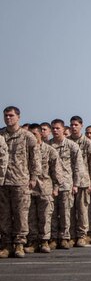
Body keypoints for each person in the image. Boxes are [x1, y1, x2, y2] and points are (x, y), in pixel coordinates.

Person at [1, 106, 41, 259]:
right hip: (3, 181)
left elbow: (35, 159)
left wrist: (33, 178)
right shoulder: (1, 135)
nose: (8, 118)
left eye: (11, 115)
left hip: (20, 181)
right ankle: (6, 244)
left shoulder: (27, 136)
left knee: (21, 214)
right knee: (3, 215)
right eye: (6, 115)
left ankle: (19, 243)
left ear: (18, 117)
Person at [50, 118, 82, 249]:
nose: (55, 130)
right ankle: (53, 237)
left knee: (65, 213)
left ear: (64, 129)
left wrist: (76, 184)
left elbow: (77, 166)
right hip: (50, 185)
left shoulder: (72, 146)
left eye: (57, 128)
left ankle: (64, 237)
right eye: (53, 128)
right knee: (51, 213)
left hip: (66, 184)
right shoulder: (48, 145)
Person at [28, 123, 59, 253]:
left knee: (45, 216)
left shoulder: (50, 150)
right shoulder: (26, 150)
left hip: (45, 187)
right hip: (30, 188)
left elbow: (56, 170)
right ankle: (34, 241)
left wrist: (56, 187)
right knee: (31, 216)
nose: (32, 137)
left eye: (34, 134)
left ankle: (45, 241)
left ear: (41, 134)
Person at [69, 115, 91, 247]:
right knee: (70, 210)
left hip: (83, 182)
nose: (73, 127)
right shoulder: (67, 142)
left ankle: (82, 235)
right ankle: (72, 235)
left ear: (81, 126)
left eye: (76, 125)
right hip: (69, 181)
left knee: (83, 210)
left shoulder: (87, 143)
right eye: (72, 125)